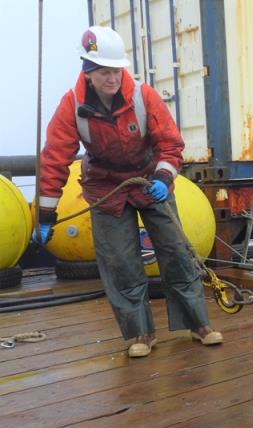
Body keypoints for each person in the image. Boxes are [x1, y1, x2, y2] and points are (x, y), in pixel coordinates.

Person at [32, 26, 222, 358]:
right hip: (105, 187)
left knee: (177, 252)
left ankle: (199, 324)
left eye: (116, 70)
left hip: (150, 180)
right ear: (88, 71)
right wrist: (45, 215)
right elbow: (54, 160)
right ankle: (139, 334)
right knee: (120, 262)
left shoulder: (143, 97)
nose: (112, 78)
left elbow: (170, 145)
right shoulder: (72, 106)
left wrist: (164, 178)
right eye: (104, 71)